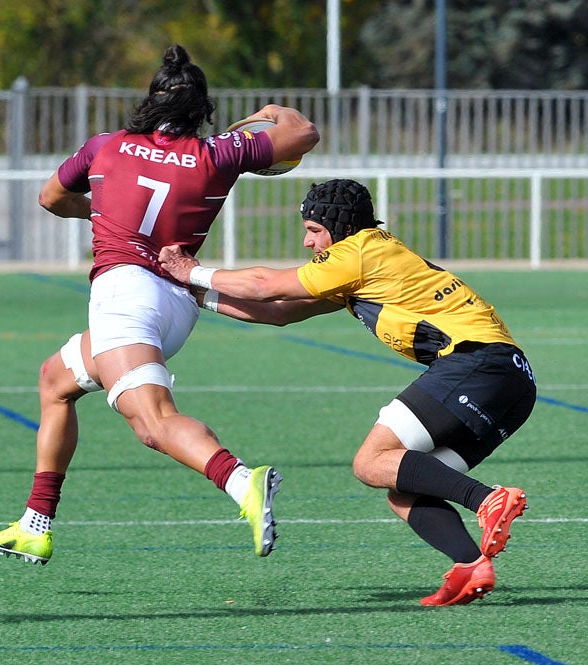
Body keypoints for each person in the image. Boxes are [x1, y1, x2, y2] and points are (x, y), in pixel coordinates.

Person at [0, 45, 320, 564]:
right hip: (175, 301)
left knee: (156, 421)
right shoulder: (218, 153)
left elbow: (50, 197)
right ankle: (35, 523)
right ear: (200, 110)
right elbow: (303, 133)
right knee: (56, 381)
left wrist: (107, 210)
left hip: (124, 295)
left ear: (149, 103)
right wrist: (271, 114)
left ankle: (240, 481)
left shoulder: (106, 146)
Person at [158, 178, 535, 606]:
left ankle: (488, 499)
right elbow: (278, 311)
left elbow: (265, 284)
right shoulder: (367, 260)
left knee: (371, 462)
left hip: (476, 363)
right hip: (513, 382)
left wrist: (191, 270)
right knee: (405, 488)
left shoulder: (357, 252)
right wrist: (195, 293)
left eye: (313, 229)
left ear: (337, 226)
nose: (306, 241)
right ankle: (471, 566)